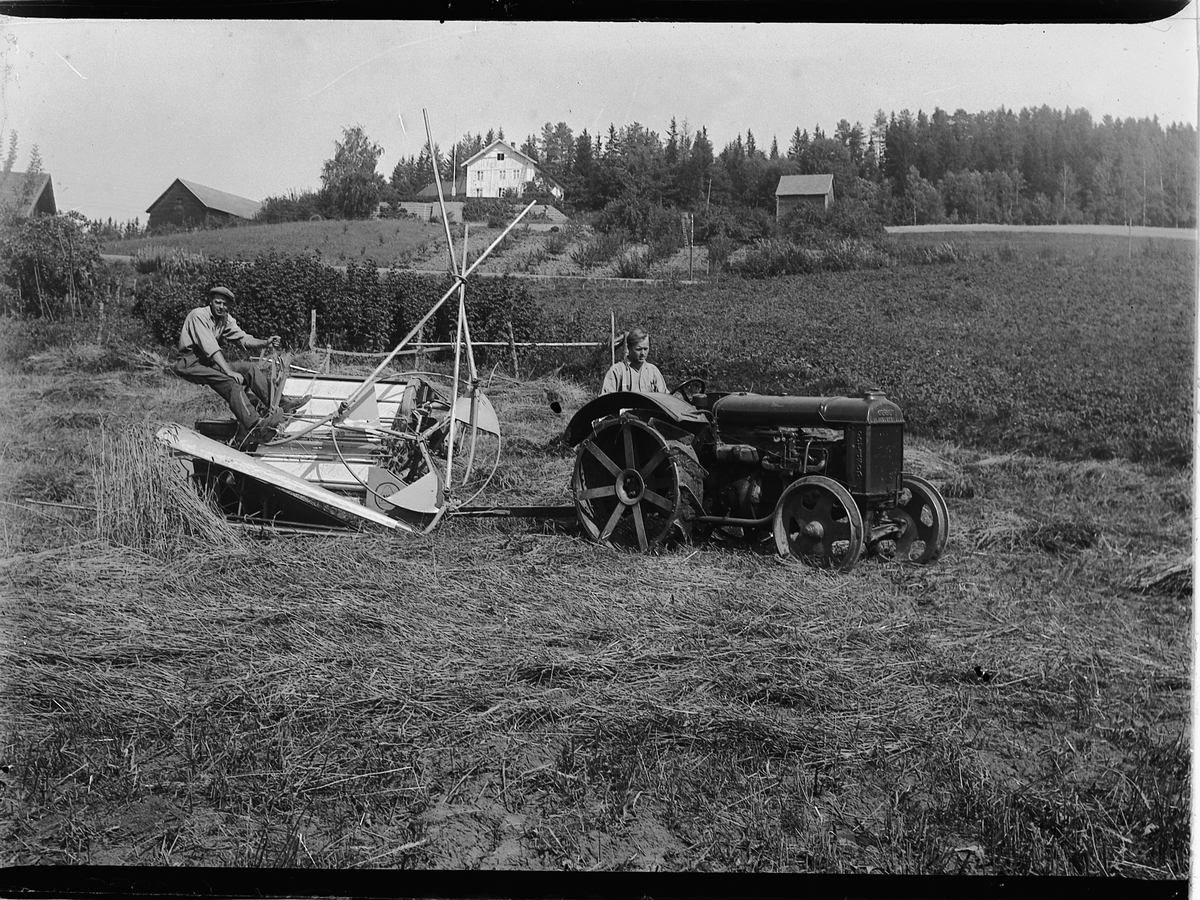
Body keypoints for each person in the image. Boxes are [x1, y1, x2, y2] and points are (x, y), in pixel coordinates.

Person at [172, 285, 307, 446]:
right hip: (190, 362)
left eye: (225, 304)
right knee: (231, 383)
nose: (222, 307)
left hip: (207, 362)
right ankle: (256, 426)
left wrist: (265, 342)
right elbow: (210, 347)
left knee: (249, 368)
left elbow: (244, 338)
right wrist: (228, 370)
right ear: (210, 301)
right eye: (218, 303)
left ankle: (281, 402)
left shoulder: (225, 319)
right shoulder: (198, 316)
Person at [601, 326, 667, 394]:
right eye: (638, 349)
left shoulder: (653, 371)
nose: (643, 353)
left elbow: (665, 399)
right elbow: (605, 400)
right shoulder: (617, 371)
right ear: (629, 348)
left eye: (645, 349)